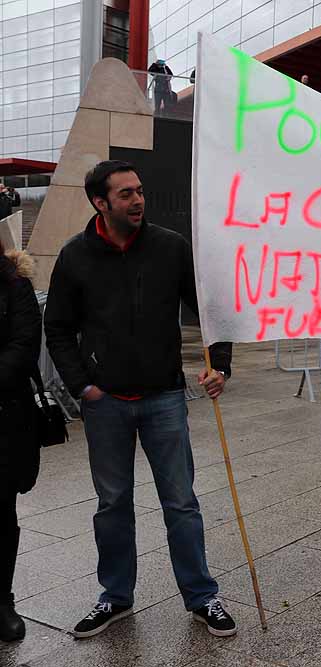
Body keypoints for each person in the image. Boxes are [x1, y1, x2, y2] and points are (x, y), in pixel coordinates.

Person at [44, 160, 237, 638]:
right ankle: (115, 597)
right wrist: (82, 386)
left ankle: (202, 597)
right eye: (125, 194)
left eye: (140, 191)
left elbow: (210, 307)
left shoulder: (169, 247)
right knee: (112, 504)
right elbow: (58, 329)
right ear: (100, 202)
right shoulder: (75, 256)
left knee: (181, 503)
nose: (137, 200)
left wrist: (221, 363)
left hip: (165, 398)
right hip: (105, 402)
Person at [0, 241, 41, 642]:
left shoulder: (15, 284)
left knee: (0, 514)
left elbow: (24, 347)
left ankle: (2, 600)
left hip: (4, 417)